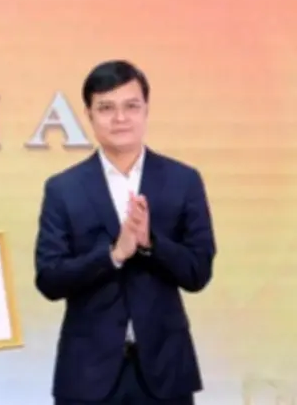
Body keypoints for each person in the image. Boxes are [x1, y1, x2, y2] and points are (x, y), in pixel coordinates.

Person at [33, 60, 216, 405]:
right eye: (106, 108)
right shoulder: (63, 189)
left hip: (165, 372)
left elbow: (198, 272)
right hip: (87, 374)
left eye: (131, 106)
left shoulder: (183, 180)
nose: (120, 118)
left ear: (146, 110)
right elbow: (49, 279)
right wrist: (114, 255)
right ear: (88, 114)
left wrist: (150, 244)